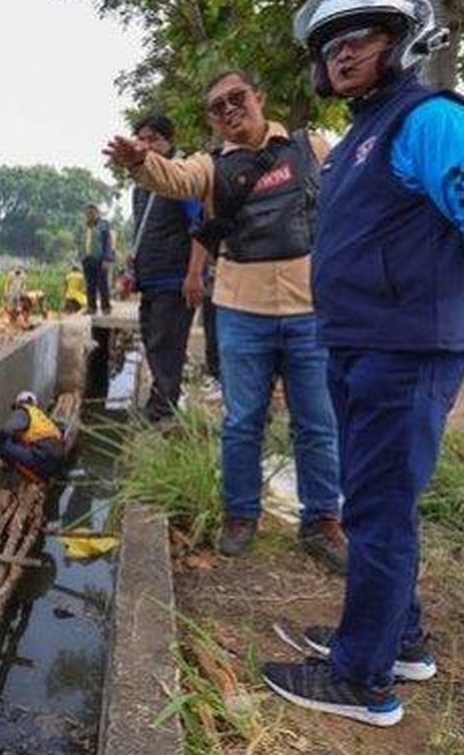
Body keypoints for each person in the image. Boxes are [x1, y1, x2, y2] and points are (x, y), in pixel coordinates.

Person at [258, 0, 464, 727]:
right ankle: (396, 639)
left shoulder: (430, 119)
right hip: (361, 342)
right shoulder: (359, 135)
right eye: (331, 46)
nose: (343, 55)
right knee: (376, 500)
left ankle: (361, 679)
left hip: (404, 345)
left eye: (361, 38)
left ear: (403, 41)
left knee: (379, 511)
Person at [104, 71, 345, 571]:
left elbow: (351, 199)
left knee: (317, 424)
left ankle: (322, 520)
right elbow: (174, 179)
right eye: (218, 107)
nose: (230, 110)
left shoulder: (312, 147)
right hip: (242, 310)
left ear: (259, 98)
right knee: (241, 422)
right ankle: (240, 515)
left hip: (309, 312)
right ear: (211, 121)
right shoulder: (210, 167)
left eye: (237, 99)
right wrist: (142, 163)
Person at [127, 115, 205, 422]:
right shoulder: (142, 185)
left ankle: (162, 409)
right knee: (153, 340)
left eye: (152, 139)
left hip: (174, 278)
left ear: (167, 142)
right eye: (140, 139)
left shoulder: (181, 177)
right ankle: (164, 399)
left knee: (166, 342)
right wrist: (132, 269)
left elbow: (201, 226)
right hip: (151, 278)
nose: (145, 145)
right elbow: (143, 231)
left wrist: (194, 274)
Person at [0, 390, 65, 483]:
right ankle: (39, 479)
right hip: (57, 459)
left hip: (43, 456)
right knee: (20, 444)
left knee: (2, 443)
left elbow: (6, 429)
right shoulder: (40, 416)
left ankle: (9, 473)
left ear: (19, 403)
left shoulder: (23, 411)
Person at [77, 204, 113, 314]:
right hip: (87, 259)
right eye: (87, 213)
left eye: (92, 212)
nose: (89, 215)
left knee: (102, 285)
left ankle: (106, 307)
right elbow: (80, 243)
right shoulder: (84, 227)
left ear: (96, 213)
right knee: (90, 285)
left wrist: (107, 258)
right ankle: (91, 307)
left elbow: (108, 242)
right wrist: (81, 257)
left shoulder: (103, 225)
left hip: (100, 259)